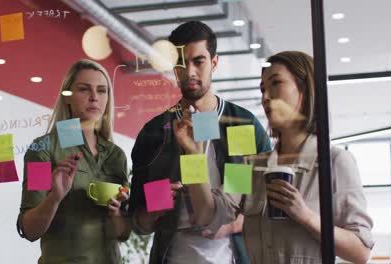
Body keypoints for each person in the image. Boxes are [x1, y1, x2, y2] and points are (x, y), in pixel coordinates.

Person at [128, 21, 271, 263]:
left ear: (214, 62)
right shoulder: (154, 134)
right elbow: (138, 222)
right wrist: (154, 209)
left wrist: (232, 224)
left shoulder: (241, 126)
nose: (190, 72)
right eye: (182, 63)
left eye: (199, 61)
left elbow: (267, 209)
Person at [239, 51, 374, 263]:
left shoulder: (337, 161)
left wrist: (305, 216)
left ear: (305, 88)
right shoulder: (250, 164)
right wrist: (194, 153)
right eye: (263, 89)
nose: (265, 97)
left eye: (276, 83)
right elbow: (211, 214)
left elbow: (361, 251)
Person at [16, 59, 131, 263]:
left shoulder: (116, 155)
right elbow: (30, 230)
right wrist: (55, 197)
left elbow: (122, 234)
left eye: (102, 90)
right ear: (67, 97)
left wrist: (116, 214)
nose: (94, 97)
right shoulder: (42, 149)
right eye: (84, 89)